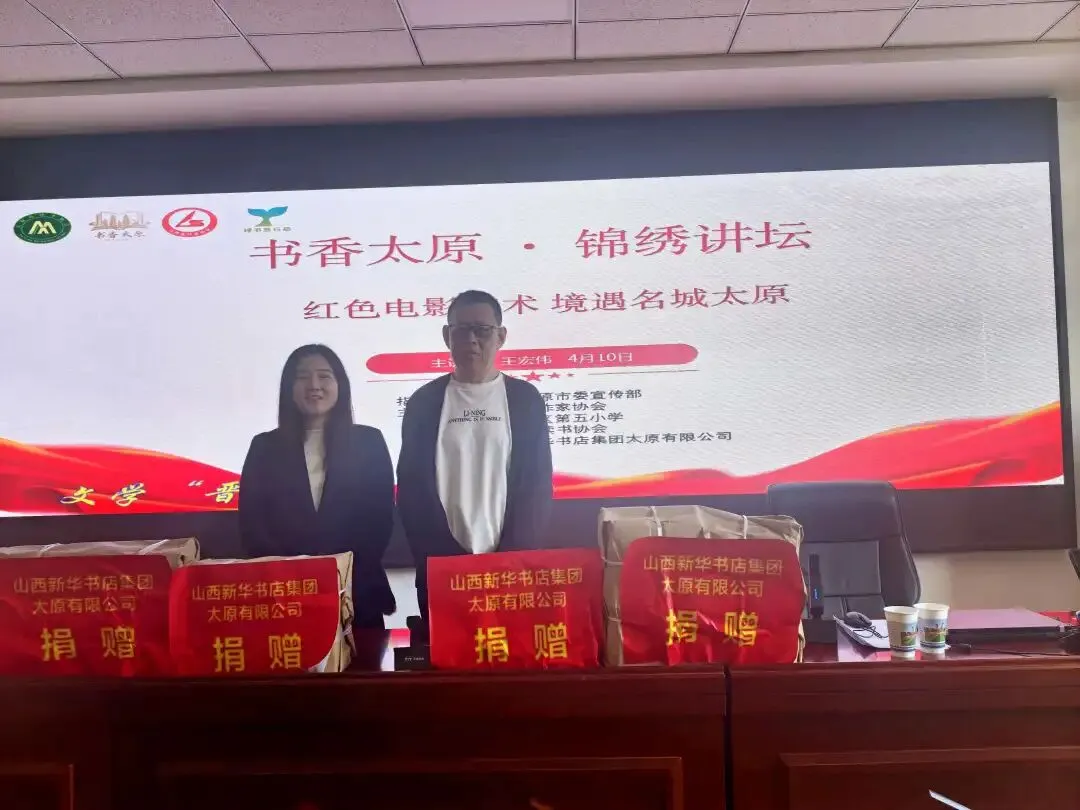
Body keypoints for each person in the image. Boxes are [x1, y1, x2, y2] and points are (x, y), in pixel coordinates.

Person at [397, 289, 553, 619]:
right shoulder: (424, 403)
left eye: (482, 330)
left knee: (509, 649)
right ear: (446, 336)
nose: (471, 340)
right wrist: (442, 558)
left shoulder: (525, 400)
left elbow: (537, 487)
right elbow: (412, 491)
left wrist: (512, 557)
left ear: (501, 336)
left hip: (511, 567)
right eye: (461, 330)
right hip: (442, 567)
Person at [239, 344, 396, 629]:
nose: (314, 385)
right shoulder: (264, 447)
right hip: (286, 596)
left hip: (357, 593)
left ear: (340, 385)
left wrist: (339, 576)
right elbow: (253, 525)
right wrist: (297, 579)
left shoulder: (369, 442)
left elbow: (380, 520)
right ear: (289, 388)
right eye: (302, 377)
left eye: (324, 376)